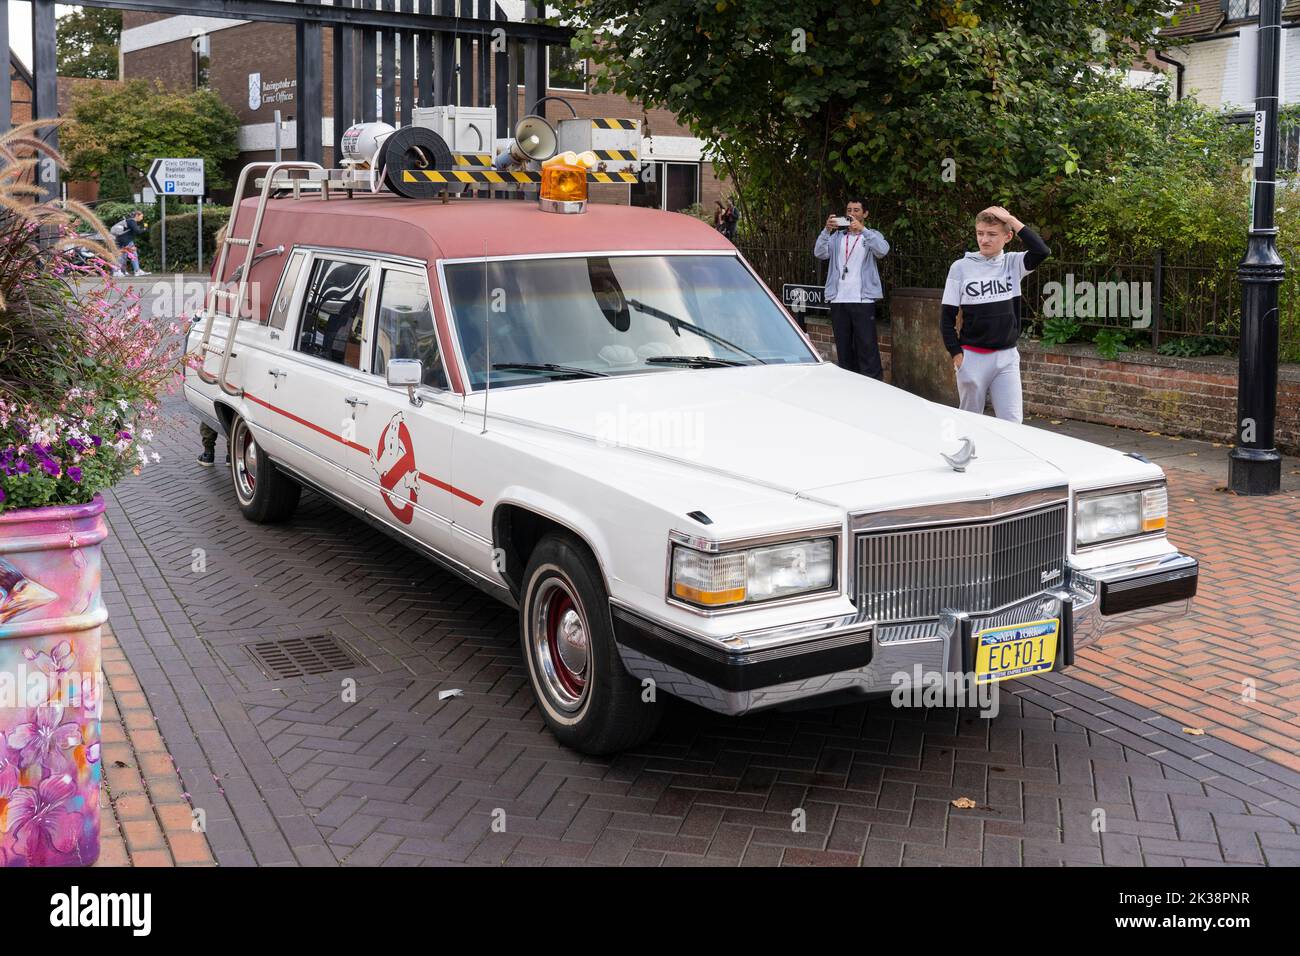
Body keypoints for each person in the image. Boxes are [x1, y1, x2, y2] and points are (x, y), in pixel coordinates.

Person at [940, 206, 1051, 424]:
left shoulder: (1013, 263)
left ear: (1007, 236)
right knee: (969, 423)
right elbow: (947, 317)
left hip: (1007, 357)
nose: (984, 240)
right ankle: (968, 459)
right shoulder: (960, 268)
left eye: (992, 234)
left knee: (1012, 423)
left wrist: (1010, 218)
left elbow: (1041, 251)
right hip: (972, 357)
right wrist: (956, 355)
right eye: (980, 233)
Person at [813, 198, 890, 379]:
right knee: (844, 347)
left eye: (856, 210)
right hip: (839, 299)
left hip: (862, 300)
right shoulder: (837, 238)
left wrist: (863, 230)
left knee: (867, 346)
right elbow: (819, 253)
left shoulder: (870, 235)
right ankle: (849, 384)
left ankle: (873, 385)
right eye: (849, 209)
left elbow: (883, 250)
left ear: (865, 214)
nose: (852, 213)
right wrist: (827, 230)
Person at [112, 210, 151, 278]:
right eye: (141, 216)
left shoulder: (130, 221)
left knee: (124, 255)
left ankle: (120, 271)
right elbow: (137, 231)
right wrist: (145, 229)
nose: (142, 218)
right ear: (137, 216)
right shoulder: (131, 221)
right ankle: (134, 271)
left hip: (124, 240)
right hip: (125, 241)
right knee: (129, 255)